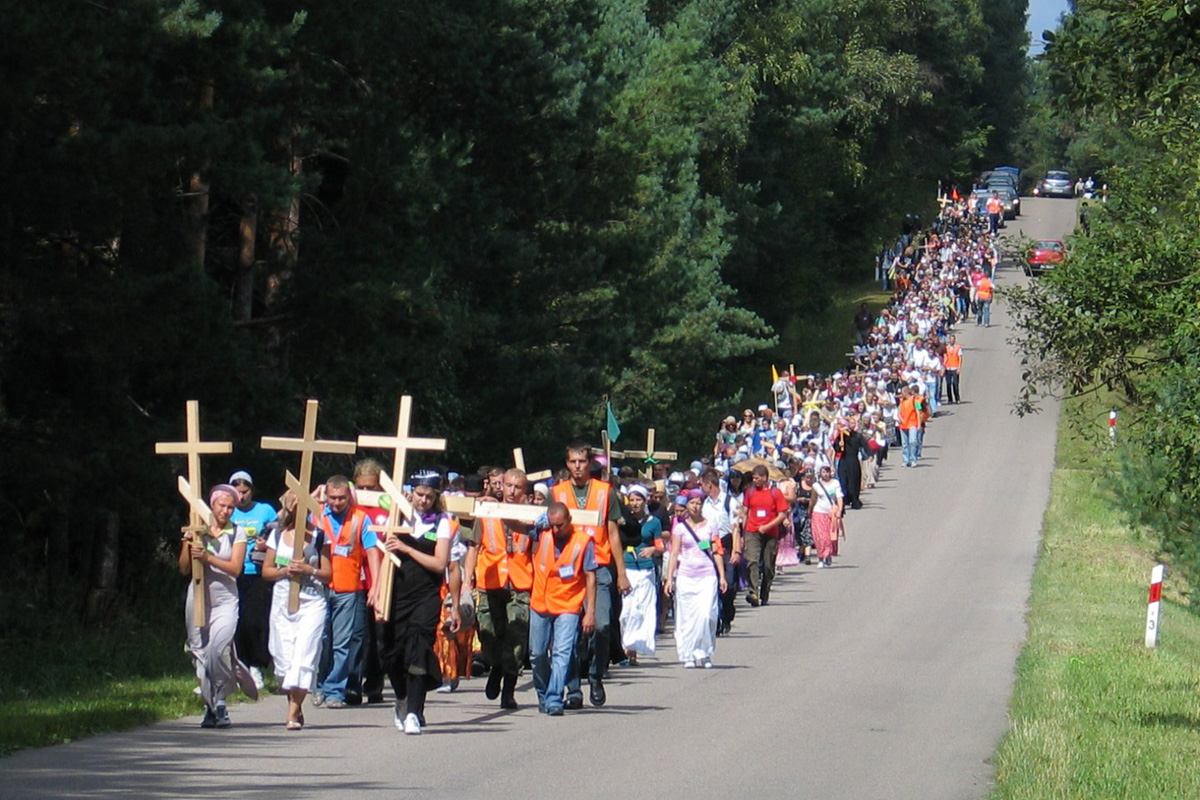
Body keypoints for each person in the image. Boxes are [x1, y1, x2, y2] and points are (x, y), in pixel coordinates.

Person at [551, 441, 628, 709]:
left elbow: (614, 534)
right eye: (572, 462)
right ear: (567, 464)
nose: (577, 467)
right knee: (569, 633)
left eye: (581, 461)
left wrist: (622, 574)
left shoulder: (606, 492)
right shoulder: (557, 493)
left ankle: (596, 675)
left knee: (603, 624)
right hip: (568, 572)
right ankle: (574, 689)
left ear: (589, 463)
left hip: (600, 565)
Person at [380, 472, 457, 735]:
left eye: (429, 496)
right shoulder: (397, 517)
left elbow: (439, 563)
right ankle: (401, 697)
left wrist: (408, 549)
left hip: (426, 594)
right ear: (410, 493)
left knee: (418, 648)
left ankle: (414, 711)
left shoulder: (442, 523)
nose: (423, 500)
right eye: (419, 494)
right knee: (392, 653)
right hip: (397, 592)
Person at [461, 468, 534, 709]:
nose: (512, 491)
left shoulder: (532, 516)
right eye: (508, 486)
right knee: (489, 634)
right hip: (490, 581)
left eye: (517, 487)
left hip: (519, 583)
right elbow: (473, 546)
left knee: (515, 639)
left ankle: (509, 691)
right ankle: (496, 667)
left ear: (525, 491)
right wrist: (466, 580)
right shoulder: (487, 512)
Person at [178, 484, 249, 729]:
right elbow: (184, 568)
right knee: (199, 651)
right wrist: (188, 544)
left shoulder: (237, 532)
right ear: (212, 504)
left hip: (225, 600)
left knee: (218, 649)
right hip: (198, 596)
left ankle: (220, 699)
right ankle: (210, 706)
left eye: (231, 507)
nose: (226, 511)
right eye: (222, 506)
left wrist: (208, 558)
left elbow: (236, 569)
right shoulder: (199, 529)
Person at [262, 492, 332, 730]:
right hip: (283, 600)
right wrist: (285, 571)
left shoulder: (319, 536)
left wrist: (308, 569)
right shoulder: (278, 535)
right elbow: (267, 571)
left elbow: (328, 574)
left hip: (312, 602)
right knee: (284, 658)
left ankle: (292, 713)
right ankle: (296, 701)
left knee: (304, 654)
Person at [314, 475, 378, 709]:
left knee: (342, 644)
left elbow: (372, 553)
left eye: (342, 498)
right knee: (320, 640)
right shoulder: (317, 514)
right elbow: (289, 515)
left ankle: (334, 691)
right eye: (332, 498)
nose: (337, 502)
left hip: (348, 589)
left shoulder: (361, 519)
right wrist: (313, 497)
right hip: (319, 587)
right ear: (326, 496)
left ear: (349, 497)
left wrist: (376, 587)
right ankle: (318, 685)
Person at [529, 503, 597, 716]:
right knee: (537, 654)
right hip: (540, 601)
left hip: (568, 603)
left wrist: (590, 612)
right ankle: (543, 693)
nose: (556, 530)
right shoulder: (543, 533)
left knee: (562, 653)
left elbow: (590, 577)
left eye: (560, 525)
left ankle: (554, 698)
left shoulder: (583, 541)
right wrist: (535, 524)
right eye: (553, 525)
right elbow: (512, 524)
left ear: (569, 520)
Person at [665, 490, 727, 668]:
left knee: (707, 614)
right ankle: (688, 654)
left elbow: (717, 551)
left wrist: (722, 576)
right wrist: (670, 579)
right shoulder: (679, 528)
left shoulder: (711, 526)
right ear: (687, 505)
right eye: (692, 503)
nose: (695, 506)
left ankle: (705, 652)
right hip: (686, 576)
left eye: (699, 503)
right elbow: (674, 553)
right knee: (687, 617)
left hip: (707, 575)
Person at [229, 470, 278, 692]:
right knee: (235, 621)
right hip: (233, 571)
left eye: (245, 491)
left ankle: (257, 664)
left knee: (255, 621)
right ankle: (240, 666)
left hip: (257, 571)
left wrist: (264, 544)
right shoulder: (228, 512)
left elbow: (278, 535)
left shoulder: (265, 510)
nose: (241, 497)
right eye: (237, 492)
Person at [352, 460, 389, 704]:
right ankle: (352, 684)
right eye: (361, 488)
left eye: (371, 489)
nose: (366, 494)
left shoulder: (388, 510)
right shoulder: (351, 509)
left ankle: (374, 684)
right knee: (356, 635)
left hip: (383, 579)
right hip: (356, 579)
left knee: (379, 637)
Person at [617, 485, 662, 661]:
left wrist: (652, 549)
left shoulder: (654, 522)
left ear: (645, 501)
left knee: (641, 610)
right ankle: (627, 645)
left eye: (638, 500)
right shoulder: (623, 520)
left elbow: (660, 546)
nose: (635, 504)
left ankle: (633, 650)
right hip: (627, 568)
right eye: (632, 500)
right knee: (626, 612)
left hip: (645, 570)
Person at [699, 470, 740, 635]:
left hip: (726, 544)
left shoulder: (730, 502)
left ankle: (727, 615)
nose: (700, 487)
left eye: (702, 484)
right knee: (712, 584)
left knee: (728, 585)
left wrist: (736, 551)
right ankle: (715, 620)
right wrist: (701, 549)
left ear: (710, 484)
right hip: (709, 545)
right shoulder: (703, 503)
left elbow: (736, 527)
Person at [740, 465, 787, 606]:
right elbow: (745, 510)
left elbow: (782, 514)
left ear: (765, 478)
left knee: (768, 565)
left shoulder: (775, 493)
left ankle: (765, 591)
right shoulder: (749, 492)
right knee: (752, 561)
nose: (754, 480)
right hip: (752, 530)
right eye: (753, 478)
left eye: (757, 478)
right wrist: (742, 527)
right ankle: (753, 591)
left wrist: (768, 526)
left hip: (770, 532)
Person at [809, 465, 844, 568]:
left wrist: (840, 510)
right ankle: (821, 558)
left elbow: (839, 497)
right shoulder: (816, 485)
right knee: (820, 537)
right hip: (818, 512)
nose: (826, 474)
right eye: (823, 472)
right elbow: (813, 500)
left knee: (830, 537)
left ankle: (828, 554)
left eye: (827, 472)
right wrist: (809, 511)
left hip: (830, 513)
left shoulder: (835, 483)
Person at [943, 334, 963, 403]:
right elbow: (945, 357)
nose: (951, 341)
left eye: (953, 339)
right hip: (948, 368)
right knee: (948, 384)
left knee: (955, 383)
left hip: (955, 367)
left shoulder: (958, 347)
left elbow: (960, 358)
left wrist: (959, 367)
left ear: (955, 340)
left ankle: (957, 398)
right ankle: (950, 399)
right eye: (950, 339)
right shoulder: (946, 348)